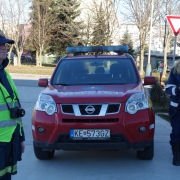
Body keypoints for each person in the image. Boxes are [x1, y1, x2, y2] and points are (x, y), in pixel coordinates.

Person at [0, 29, 25, 179]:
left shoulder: (5, 73)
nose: (4, 47)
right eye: (0, 45)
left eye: (4, 45)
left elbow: (16, 107)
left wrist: (21, 138)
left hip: (10, 139)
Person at [165, 60, 180, 166]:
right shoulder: (175, 70)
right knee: (177, 132)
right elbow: (168, 88)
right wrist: (178, 89)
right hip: (177, 108)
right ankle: (177, 156)